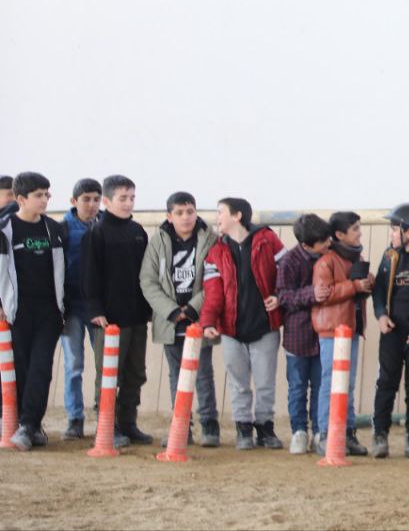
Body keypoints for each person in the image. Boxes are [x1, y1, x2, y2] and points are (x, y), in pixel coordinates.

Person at [200, 197, 286, 450]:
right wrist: (208, 321)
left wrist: (280, 296)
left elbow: (287, 271)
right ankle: (243, 429)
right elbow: (213, 291)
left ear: (237, 216)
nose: (217, 218)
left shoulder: (268, 240)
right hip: (230, 329)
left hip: (265, 326)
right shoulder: (216, 250)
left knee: (265, 382)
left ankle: (265, 428)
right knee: (238, 383)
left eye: (220, 213)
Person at [139, 191, 221, 448]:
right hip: (170, 320)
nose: (186, 217)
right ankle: (181, 426)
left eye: (190, 212)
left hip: (199, 319)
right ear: (169, 216)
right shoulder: (157, 242)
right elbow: (148, 281)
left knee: (203, 375)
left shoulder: (211, 240)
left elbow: (216, 280)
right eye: (180, 213)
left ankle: (210, 425)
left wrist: (193, 309)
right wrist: (173, 311)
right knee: (177, 375)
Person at [80, 174, 152, 448]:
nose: (128, 203)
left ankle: (128, 422)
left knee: (135, 372)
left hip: (136, 316)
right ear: (107, 201)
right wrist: (95, 309)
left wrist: (147, 309)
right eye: (122, 198)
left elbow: (146, 275)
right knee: (110, 374)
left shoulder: (138, 232)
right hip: (109, 320)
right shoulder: (96, 233)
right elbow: (89, 276)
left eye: (132, 197)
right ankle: (106, 425)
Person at [0, 172, 66, 450]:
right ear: (20, 199)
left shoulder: (54, 230)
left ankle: (29, 425)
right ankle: (22, 423)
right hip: (18, 313)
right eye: (38, 195)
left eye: (47, 195)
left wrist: (64, 305)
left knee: (42, 368)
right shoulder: (5, 231)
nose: (44, 200)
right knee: (21, 368)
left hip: (49, 313)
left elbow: (64, 270)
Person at [370, 202, 409, 458]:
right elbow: (379, 290)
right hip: (392, 330)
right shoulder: (389, 255)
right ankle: (380, 433)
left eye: (396, 228)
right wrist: (381, 315)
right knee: (386, 381)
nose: (392, 233)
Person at [311, 212, 373, 457]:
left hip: (350, 328)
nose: (359, 232)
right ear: (339, 235)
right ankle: (327, 434)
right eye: (355, 228)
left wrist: (368, 284)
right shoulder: (326, 262)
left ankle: (346, 433)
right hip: (332, 330)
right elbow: (324, 294)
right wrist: (356, 286)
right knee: (331, 382)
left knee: (346, 383)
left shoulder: (353, 258)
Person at [278, 213, 329, 454]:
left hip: (322, 335)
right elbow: (284, 296)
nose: (327, 244)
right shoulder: (289, 261)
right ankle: (299, 431)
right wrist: (311, 294)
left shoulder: (329, 257)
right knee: (297, 386)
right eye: (322, 241)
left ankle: (319, 431)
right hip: (297, 336)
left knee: (320, 385)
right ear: (307, 244)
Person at [58, 177, 100, 439]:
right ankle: (75, 418)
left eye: (96, 199)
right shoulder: (62, 229)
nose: (92, 204)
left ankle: (106, 416)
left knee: (105, 364)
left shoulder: (106, 225)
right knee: (73, 364)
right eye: (86, 199)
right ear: (74, 201)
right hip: (72, 306)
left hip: (98, 307)